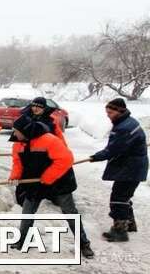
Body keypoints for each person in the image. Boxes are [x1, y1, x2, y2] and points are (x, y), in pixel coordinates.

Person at [8, 116, 94, 258]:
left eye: (16, 131)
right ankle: (22, 240)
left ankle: (84, 244)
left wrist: (47, 177)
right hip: (35, 182)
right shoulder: (18, 143)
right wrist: (15, 176)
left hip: (59, 182)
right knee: (27, 211)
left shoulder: (50, 140)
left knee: (70, 212)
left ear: (26, 130)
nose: (14, 134)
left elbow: (66, 159)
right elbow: (17, 162)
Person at [89, 98, 148, 242]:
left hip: (130, 167)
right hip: (133, 165)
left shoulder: (124, 128)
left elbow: (113, 150)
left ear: (119, 111)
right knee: (124, 196)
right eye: (106, 112)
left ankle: (120, 231)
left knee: (118, 198)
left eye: (110, 112)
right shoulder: (129, 122)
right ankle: (130, 224)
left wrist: (96, 157)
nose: (107, 115)